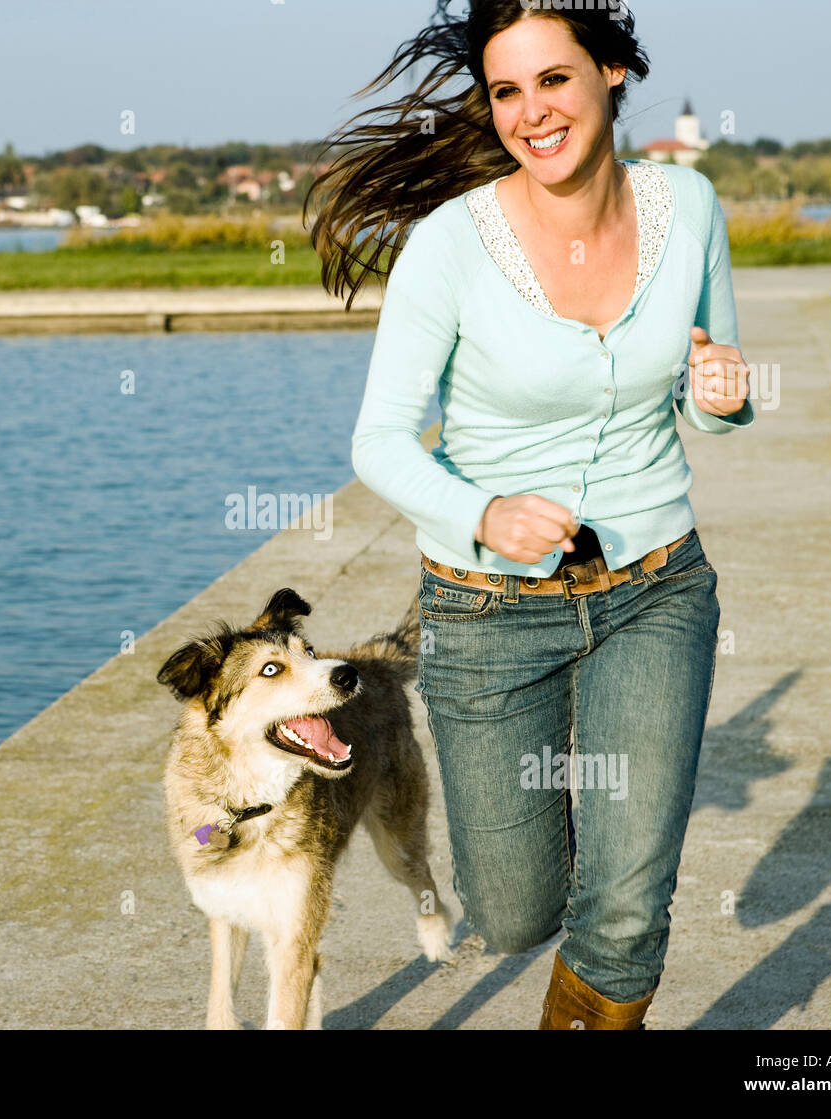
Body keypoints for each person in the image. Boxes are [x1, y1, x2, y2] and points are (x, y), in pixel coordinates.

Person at [306, 0, 754, 1028]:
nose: (530, 110)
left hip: (656, 589)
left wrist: (725, 398)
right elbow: (374, 441)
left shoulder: (688, 206)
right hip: (487, 612)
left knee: (628, 904)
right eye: (507, 90)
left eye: (554, 79)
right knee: (512, 915)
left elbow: (710, 393)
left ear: (611, 75)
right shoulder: (449, 247)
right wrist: (481, 511)